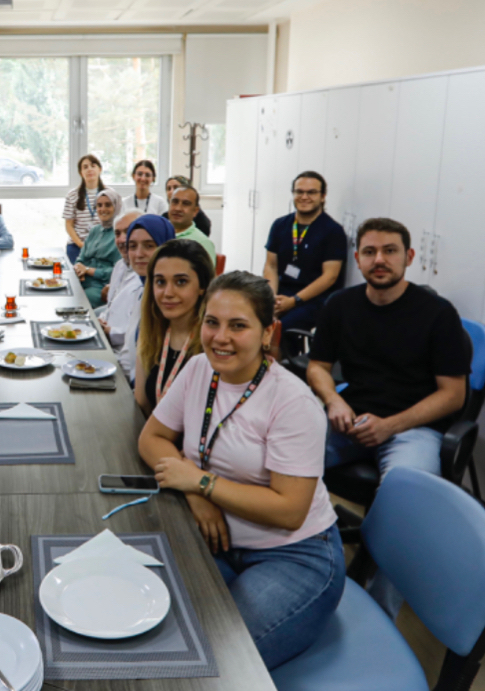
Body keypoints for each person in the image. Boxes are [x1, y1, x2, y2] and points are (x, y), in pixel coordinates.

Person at [140, 271, 344, 669]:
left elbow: (290, 510)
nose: (221, 337)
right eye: (212, 322)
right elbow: (151, 439)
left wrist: (201, 480)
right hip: (218, 540)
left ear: (269, 332)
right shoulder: (199, 369)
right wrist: (196, 495)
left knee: (211, 660)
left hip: (293, 555)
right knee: (144, 618)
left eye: (238, 326)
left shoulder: (293, 403)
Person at [306, 217, 469, 617]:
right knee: (282, 456)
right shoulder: (340, 305)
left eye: (390, 251)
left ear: (409, 257)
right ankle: (296, 565)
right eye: (370, 252)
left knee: (407, 500)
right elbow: (317, 367)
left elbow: (453, 395)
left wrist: (391, 425)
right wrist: (333, 401)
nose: (380, 260)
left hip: (412, 428)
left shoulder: (437, 313)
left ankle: (376, 613)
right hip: (349, 417)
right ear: (358, 259)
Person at [133, 239, 215, 416]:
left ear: (202, 286)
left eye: (181, 282)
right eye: (160, 282)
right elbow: (141, 401)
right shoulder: (150, 333)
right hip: (153, 436)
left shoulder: (214, 342)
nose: (168, 293)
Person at [261, 171, 346, 333]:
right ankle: (258, 358)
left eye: (311, 192)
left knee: (280, 329)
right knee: (254, 319)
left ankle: (279, 359)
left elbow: (330, 277)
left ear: (323, 197)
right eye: (299, 192)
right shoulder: (280, 225)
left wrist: (294, 301)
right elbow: (271, 266)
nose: (304, 197)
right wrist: (271, 298)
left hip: (314, 299)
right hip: (282, 292)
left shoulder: (333, 231)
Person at [110, 214, 177, 384]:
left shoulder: (171, 300)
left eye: (149, 245)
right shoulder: (144, 292)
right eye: (132, 246)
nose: (139, 254)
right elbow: (130, 355)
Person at [74, 187, 124, 308]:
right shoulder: (94, 230)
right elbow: (81, 257)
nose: (103, 209)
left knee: (79, 302)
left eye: (108, 205)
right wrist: (79, 268)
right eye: (99, 205)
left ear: (116, 207)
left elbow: (118, 271)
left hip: (103, 286)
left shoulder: (121, 234)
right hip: (83, 280)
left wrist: (89, 270)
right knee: (64, 292)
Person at [62, 155, 106, 263]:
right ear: (81, 173)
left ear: (99, 169)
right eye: (85, 167)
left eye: (93, 166)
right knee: (77, 278)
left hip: (103, 247)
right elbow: (69, 225)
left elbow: (115, 224)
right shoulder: (72, 195)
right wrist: (81, 244)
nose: (89, 169)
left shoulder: (110, 194)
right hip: (77, 246)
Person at [166, 185, 216, 264]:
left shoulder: (202, 243)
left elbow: (206, 275)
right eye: (175, 202)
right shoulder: (158, 233)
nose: (178, 208)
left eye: (185, 203)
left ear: (195, 211)